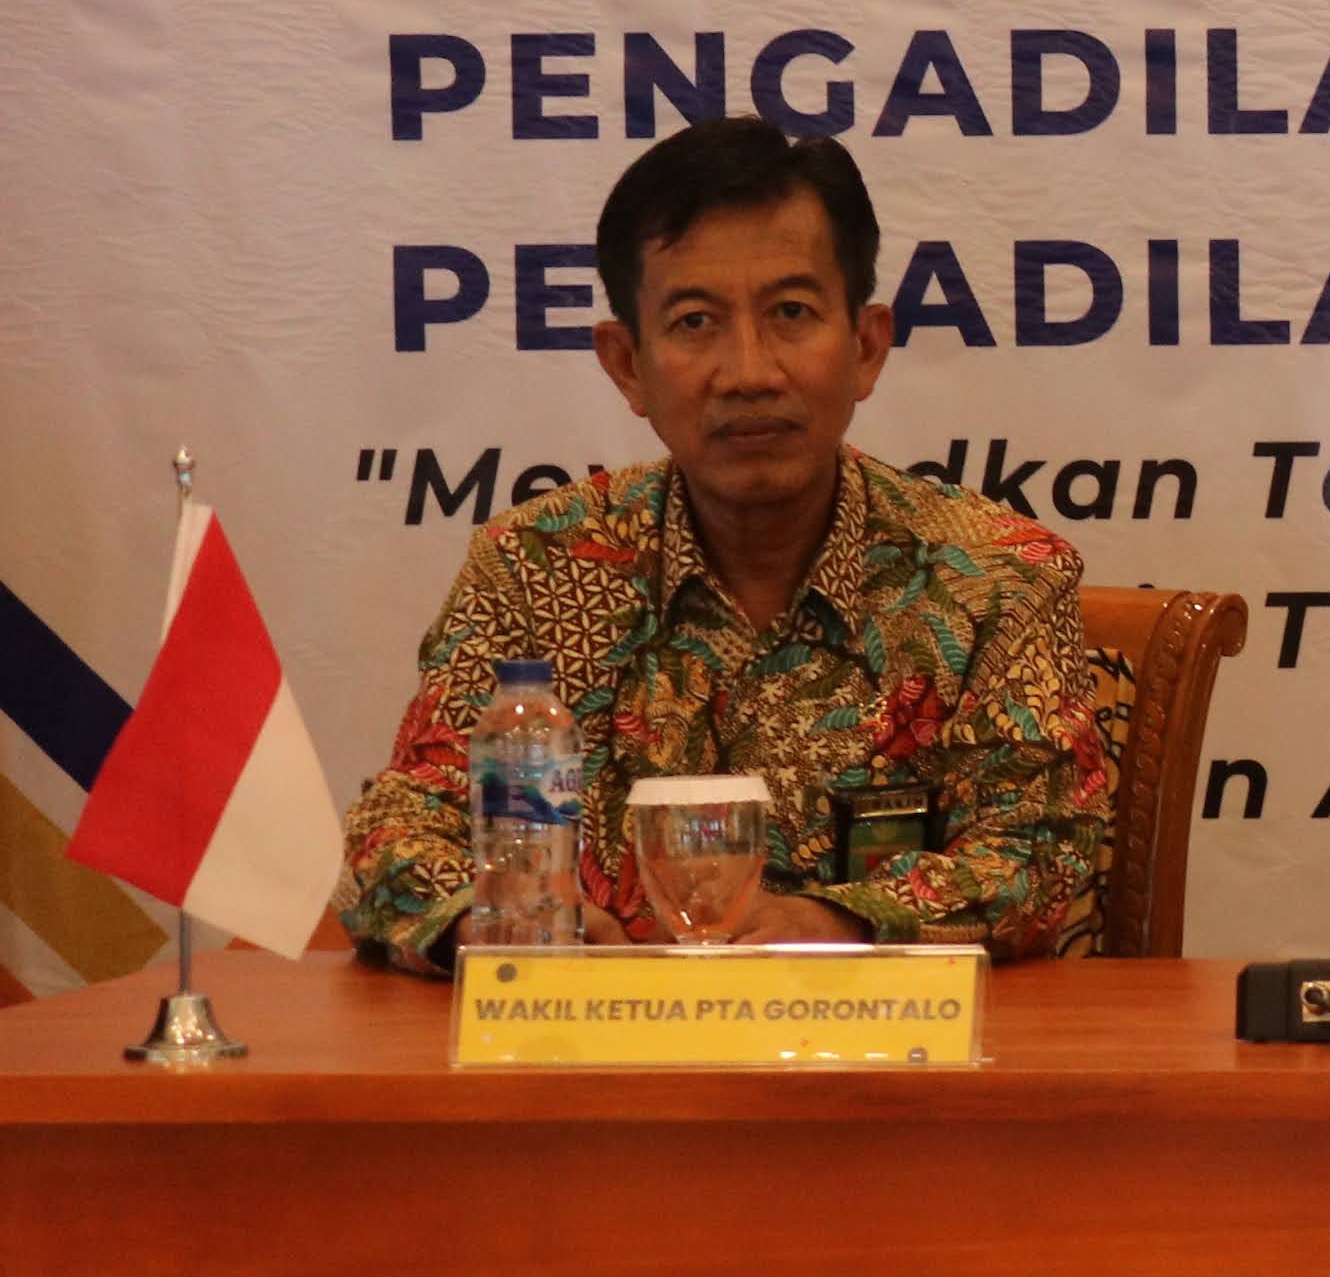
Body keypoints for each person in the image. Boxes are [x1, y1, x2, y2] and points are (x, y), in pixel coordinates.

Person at [341, 117, 1112, 966]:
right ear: (627, 363)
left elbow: (1039, 854)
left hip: (884, 1041)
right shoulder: (534, 569)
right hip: (602, 1036)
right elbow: (397, 832)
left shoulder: (998, 578)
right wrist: (501, 921)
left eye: (791, 312)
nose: (749, 371)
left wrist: (839, 924)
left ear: (865, 347)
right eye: (695, 321)